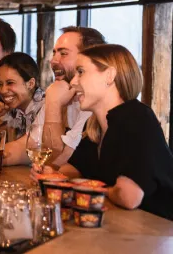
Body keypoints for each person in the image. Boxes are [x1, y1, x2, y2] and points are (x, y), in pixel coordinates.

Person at [38, 44, 173, 220]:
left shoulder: (137, 116)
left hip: (160, 234)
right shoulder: (94, 124)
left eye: (81, 71)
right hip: (127, 228)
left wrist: (92, 189)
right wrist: (53, 176)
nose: (73, 82)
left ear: (109, 76)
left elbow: (129, 197)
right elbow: (75, 169)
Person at [44, 26, 106, 166]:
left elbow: (57, 161)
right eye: (54, 53)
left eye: (63, 53)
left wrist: (54, 105)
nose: (53, 61)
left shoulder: (94, 103)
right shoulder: (58, 91)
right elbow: (31, 145)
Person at [0, 52, 45, 170]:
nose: (3, 91)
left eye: (10, 83)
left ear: (30, 83)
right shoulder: (9, 109)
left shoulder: (47, 105)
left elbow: (28, 147)